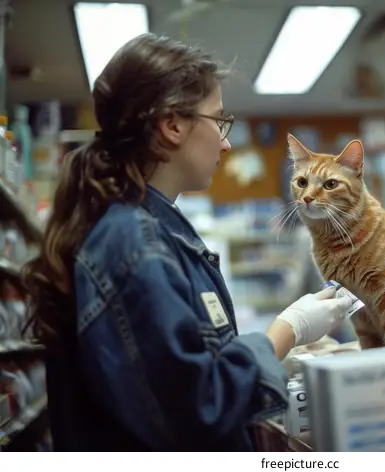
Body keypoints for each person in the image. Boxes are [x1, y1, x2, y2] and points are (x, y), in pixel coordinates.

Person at [21, 33, 351, 452]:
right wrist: (287, 331)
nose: (227, 142)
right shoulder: (133, 244)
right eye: (219, 121)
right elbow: (199, 410)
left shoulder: (153, 231)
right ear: (172, 125)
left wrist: (272, 360)